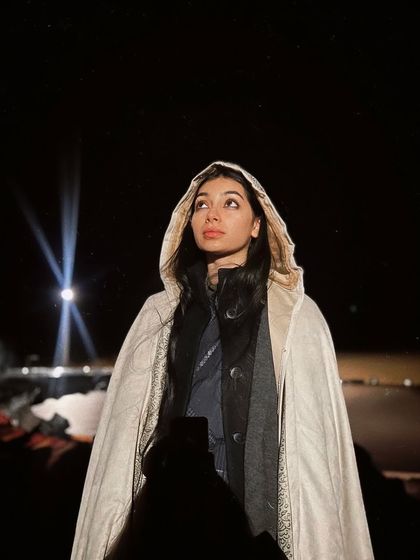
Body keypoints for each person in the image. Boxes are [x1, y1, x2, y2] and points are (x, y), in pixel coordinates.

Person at [71, 161, 374, 559]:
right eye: (201, 204)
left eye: (231, 203)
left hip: (253, 521)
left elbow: (312, 448)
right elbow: (128, 434)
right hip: (170, 518)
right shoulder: (159, 314)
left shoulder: (294, 316)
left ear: (257, 225)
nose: (212, 215)